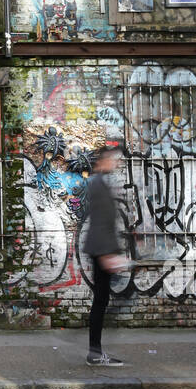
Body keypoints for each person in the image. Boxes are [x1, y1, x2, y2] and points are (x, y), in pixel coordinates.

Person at [82, 145, 129, 366]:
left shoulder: (99, 183)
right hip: (101, 250)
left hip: (101, 249)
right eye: (112, 159)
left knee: (101, 300)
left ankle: (95, 351)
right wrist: (107, 255)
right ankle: (94, 352)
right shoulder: (98, 185)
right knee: (100, 301)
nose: (115, 163)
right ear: (101, 161)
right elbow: (101, 223)